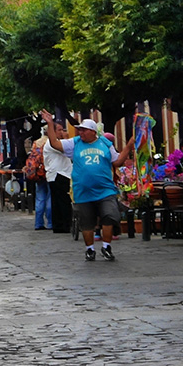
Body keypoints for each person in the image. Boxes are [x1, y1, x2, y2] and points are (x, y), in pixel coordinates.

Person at [40, 111, 133, 261]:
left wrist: (128, 147)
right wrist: (50, 124)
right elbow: (55, 144)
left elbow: (116, 162)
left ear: (92, 132)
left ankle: (106, 246)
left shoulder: (105, 143)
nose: (80, 132)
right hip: (82, 191)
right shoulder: (74, 143)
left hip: (105, 190)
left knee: (109, 216)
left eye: (83, 130)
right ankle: (89, 249)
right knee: (87, 222)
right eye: (79, 129)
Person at [42, 122, 74, 234]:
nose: (62, 132)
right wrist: (66, 138)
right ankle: (64, 224)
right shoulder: (52, 144)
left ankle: (59, 225)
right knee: (63, 201)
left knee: (58, 202)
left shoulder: (54, 143)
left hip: (59, 174)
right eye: (59, 130)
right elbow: (65, 148)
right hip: (59, 174)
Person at [26, 138, 51, 230]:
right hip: (48, 173)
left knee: (40, 199)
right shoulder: (51, 141)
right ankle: (50, 223)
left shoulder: (36, 143)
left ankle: (38, 223)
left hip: (38, 175)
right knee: (50, 198)